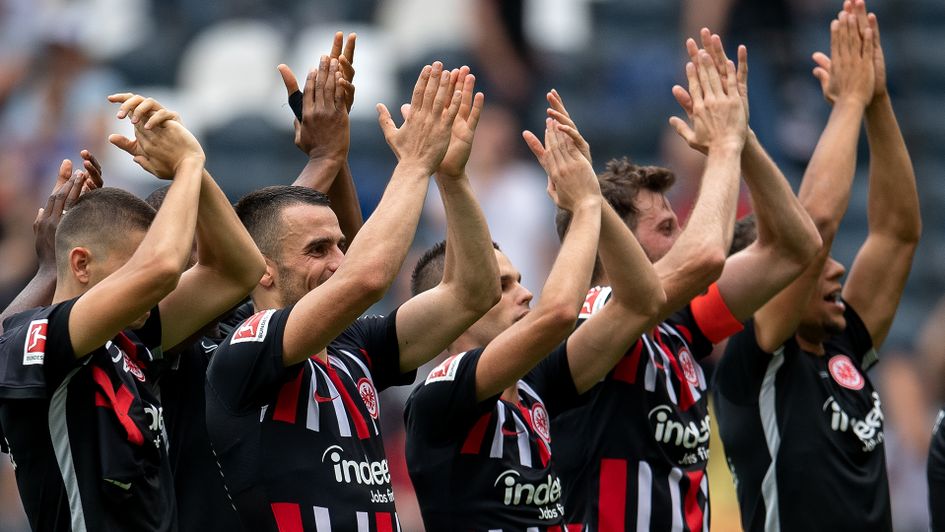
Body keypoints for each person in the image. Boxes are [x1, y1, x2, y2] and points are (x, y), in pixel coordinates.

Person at [204, 62, 501, 530]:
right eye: (317, 250)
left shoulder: (354, 347)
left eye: (341, 245)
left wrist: (452, 176)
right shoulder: (246, 348)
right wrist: (415, 164)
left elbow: (474, 294)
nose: (339, 261)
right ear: (262, 272)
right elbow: (367, 278)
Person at [550, 33, 821, 530]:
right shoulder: (588, 318)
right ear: (614, 246)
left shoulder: (678, 326)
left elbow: (796, 248)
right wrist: (723, 148)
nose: (680, 238)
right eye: (665, 228)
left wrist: (745, 142)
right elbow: (706, 256)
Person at [0, 96, 265, 531]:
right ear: (81, 264)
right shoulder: (42, 341)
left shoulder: (132, 340)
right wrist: (185, 165)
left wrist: (195, 169)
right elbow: (161, 270)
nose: (150, 282)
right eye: (132, 266)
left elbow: (241, 271)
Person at [405, 104, 664, 529]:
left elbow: (643, 301)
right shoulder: (441, 395)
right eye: (502, 286)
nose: (525, 294)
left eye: (520, 280)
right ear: (455, 311)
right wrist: (581, 208)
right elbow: (560, 312)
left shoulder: (535, 384)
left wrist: (594, 198)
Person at [712, 2, 920, 530]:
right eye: (818, 263)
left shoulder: (844, 341)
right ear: (766, 284)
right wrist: (849, 101)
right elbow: (816, 227)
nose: (837, 270)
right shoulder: (753, 363)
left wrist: (877, 101)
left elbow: (896, 235)